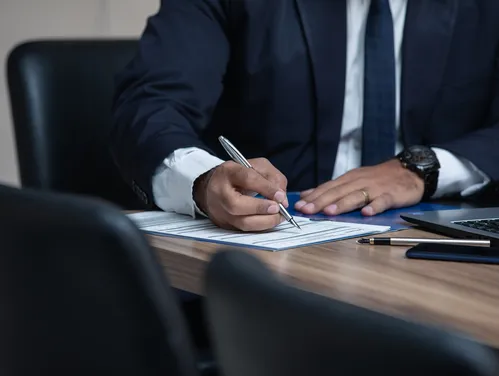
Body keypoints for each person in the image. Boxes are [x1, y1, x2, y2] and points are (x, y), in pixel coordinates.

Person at [111, 0, 499, 233]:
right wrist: (202, 181)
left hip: (428, 251)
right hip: (271, 251)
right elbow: (150, 106)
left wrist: (424, 168)